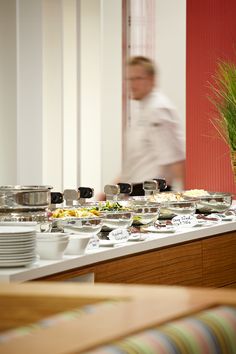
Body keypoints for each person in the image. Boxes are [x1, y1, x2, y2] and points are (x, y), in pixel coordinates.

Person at [120, 56, 185, 193]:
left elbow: (174, 159)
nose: (132, 84)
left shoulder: (158, 109)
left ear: (152, 79)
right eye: (129, 79)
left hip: (153, 194)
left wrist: (187, 198)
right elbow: (136, 162)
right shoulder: (142, 110)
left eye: (137, 78)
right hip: (136, 192)